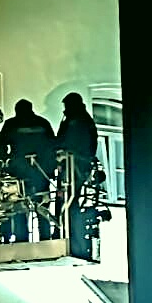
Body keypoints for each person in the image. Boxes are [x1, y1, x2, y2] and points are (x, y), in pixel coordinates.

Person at [0, 100, 57, 240]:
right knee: (42, 205)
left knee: (19, 206)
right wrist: (50, 170)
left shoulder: (11, 124)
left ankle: (22, 239)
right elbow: (52, 146)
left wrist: (7, 164)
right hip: (40, 172)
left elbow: (1, 145)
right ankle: (45, 237)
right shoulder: (43, 123)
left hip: (19, 172)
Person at [55, 93, 100, 257]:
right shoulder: (83, 119)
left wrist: (60, 152)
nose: (64, 109)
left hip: (73, 165)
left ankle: (67, 233)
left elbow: (67, 140)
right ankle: (68, 233)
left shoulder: (76, 120)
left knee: (68, 200)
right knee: (68, 200)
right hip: (76, 164)